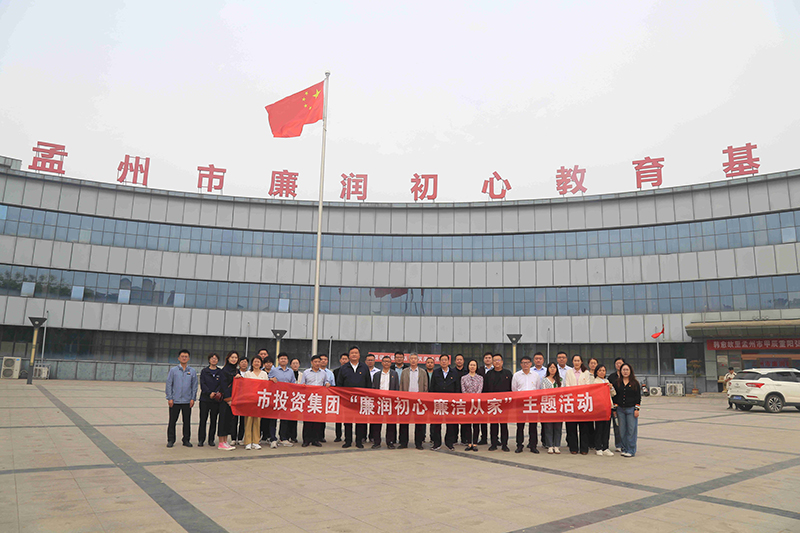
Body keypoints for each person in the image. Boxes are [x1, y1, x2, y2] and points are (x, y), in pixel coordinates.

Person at [337, 345, 372, 448]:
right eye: (352, 353)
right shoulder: (344, 368)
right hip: (347, 400)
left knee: (360, 421)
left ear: (359, 355)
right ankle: (348, 441)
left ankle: (359, 441)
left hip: (361, 400)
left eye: (356, 353)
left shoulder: (364, 367)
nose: (354, 355)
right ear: (349, 355)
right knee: (347, 421)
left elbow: (368, 384)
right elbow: (339, 384)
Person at [165, 349, 197, 448]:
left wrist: (193, 398)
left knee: (186, 421)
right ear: (179, 358)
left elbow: (194, 386)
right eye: (182, 356)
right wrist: (170, 398)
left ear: (189, 358)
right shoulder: (173, 370)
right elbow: (169, 384)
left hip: (187, 401)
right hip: (175, 400)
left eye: (186, 356)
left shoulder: (192, 371)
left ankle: (186, 440)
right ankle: (171, 440)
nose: (184, 358)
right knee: (172, 421)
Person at [299, 355, 332, 447]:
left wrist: (327, 384)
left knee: (317, 421)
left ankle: (315, 440)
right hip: (309, 399)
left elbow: (326, 382)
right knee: (307, 421)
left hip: (319, 399)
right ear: (312, 362)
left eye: (318, 362)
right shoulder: (306, 372)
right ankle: (306, 440)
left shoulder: (323, 373)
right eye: (315, 362)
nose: (317, 363)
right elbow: (302, 384)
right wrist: (303, 386)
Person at [429, 354, 461, 450]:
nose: (444, 362)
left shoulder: (454, 372)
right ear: (439, 362)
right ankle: (437, 443)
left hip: (450, 402)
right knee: (436, 423)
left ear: (448, 362)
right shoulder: (436, 372)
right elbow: (432, 387)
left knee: (450, 423)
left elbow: (457, 387)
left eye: (445, 360)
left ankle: (449, 443)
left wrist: (456, 400)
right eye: (442, 360)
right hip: (438, 402)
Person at [563, 354, 593, 455]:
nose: (576, 362)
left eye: (578, 360)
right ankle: (573, 448)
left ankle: (584, 448)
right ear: (572, 362)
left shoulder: (586, 372)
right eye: (575, 360)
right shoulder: (569, 372)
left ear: (581, 362)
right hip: (571, 401)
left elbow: (587, 386)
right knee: (571, 427)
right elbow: (567, 385)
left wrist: (579, 394)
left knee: (584, 427)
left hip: (582, 401)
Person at [512, 355, 541, 453]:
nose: (526, 364)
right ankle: (519, 445)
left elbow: (538, 388)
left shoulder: (535, 375)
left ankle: (533, 446)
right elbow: (514, 389)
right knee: (520, 426)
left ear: (531, 364)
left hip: (532, 403)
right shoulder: (516, 375)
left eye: (527, 362)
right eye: (523, 363)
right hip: (521, 403)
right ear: (521, 364)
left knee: (533, 426)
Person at [483, 354, 513, 451]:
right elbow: (485, 389)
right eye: (495, 360)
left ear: (502, 362)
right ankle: (494, 444)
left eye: (498, 360)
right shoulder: (488, 374)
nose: (497, 362)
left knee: (504, 425)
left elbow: (512, 389)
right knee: (493, 425)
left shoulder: (508, 373)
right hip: (493, 403)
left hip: (504, 404)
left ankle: (504, 444)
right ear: (492, 362)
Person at [399, 352, 429, 450]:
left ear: (418, 360)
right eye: (411, 358)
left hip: (418, 400)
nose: (413, 360)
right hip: (406, 400)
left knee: (419, 423)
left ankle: (418, 443)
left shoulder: (423, 372)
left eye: (415, 358)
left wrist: (424, 398)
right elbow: (401, 385)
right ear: (408, 360)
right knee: (404, 422)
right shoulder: (404, 372)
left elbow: (425, 386)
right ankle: (403, 443)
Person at [371, 355, 400, 449]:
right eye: (385, 361)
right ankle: (377, 442)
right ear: (382, 363)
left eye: (388, 361)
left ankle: (390, 442)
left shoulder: (394, 374)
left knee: (391, 423)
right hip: (379, 402)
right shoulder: (377, 375)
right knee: (377, 423)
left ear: (391, 363)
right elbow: (373, 388)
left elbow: (396, 388)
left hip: (390, 402)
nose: (386, 363)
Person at [269, 352, 297, 446]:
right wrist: (271, 379)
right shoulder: (274, 370)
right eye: (281, 358)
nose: (283, 360)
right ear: (278, 360)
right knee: (273, 419)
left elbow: (293, 383)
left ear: (287, 360)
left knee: (284, 419)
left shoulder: (291, 371)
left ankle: (283, 438)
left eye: (285, 358)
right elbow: (267, 381)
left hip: (286, 398)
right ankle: (272, 438)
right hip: (276, 397)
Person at [614, 363, 641, 457]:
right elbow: (615, 396)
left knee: (631, 430)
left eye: (627, 370)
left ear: (630, 371)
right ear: (620, 371)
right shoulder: (617, 382)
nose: (625, 372)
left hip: (631, 409)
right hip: (620, 409)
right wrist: (614, 409)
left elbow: (638, 397)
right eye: (623, 370)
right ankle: (624, 448)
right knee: (622, 430)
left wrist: (637, 409)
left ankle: (631, 450)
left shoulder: (635, 383)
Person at [243, 355, 269, 450]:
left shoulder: (264, 374)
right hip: (250, 400)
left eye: (258, 361)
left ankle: (256, 441)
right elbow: (245, 386)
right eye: (255, 361)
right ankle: (248, 442)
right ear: (252, 363)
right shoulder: (248, 373)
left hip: (259, 400)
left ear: (261, 363)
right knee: (248, 421)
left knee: (257, 422)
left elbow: (266, 387)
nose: (257, 363)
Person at [198, 353, 222, 447]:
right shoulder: (204, 371)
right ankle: (201, 439)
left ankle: (211, 439)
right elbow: (203, 384)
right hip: (205, 399)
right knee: (203, 420)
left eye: (215, 358)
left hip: (216, 400)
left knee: (213, 420)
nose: (214, 360)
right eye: (212, 358)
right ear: (209, 360)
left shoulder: (220, 372)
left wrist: (215, 393)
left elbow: (221, 384)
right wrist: (209, 393)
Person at [217, 351, 240, 450]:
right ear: (228, 358)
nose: (234, 359)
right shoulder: (224, 370)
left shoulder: (236, 370)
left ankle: (225, 441)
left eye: (235, 357)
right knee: (223, 420)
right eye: (232, 357)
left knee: (228, 421)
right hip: (226, 400)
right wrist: (228, 399)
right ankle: (221, 442)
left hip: (234, 399)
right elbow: (223, 386)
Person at [460, 359, 483, 452]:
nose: (472, 366)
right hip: (467, 403)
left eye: (474, 365)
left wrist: (474, 397)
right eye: (471, 365)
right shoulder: (463, 378)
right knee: (467, 424)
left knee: (476, 424)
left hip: (476, 404)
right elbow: (463, 390)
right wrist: (469, 398)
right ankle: (469, 443)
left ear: (476, 367)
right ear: (468, 366)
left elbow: (479, 390)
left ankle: (475, 443)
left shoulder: (480, 378)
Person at [593, 364, 616, 456]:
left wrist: (611, 387)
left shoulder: (607, 381)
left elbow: (613, 394)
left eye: (603, 370)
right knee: (599, 428)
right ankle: (598, 447)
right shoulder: (595, 382)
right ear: (596, 372)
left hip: (608, 407)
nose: (602, 372)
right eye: (600, 370)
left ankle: (605, 447)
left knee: (606, 428)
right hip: (599, 408)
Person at [540, 362, 562, 454]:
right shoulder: (544, 380)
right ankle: (549, 445)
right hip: (548, 406)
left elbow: (562, 392)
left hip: (558, 406)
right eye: (551, 367)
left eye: (554, 367)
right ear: (548, 369)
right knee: (548, 426)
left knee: (558, 427)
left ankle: (556, 445)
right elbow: (543, 392)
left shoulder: (560, 380)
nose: (552, 369)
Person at [260, 353, 278, 447]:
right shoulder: (261, 372)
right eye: (266, 362)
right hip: (262, 398)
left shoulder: (276, 372)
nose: (268, 364)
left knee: (272, 420)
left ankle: (272, 437)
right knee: (262, 419)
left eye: (270, 362)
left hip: (273, 399)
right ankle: (262, 436)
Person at [475, 351, 494, 445]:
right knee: (482, 419)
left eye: (489, 358)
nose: (488, 359)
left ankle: (495, 438)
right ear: (483, 359)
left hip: (493, 398)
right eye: (486, 358)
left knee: (494, 419)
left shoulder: (496, 369)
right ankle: (484, 438)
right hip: (481, 397)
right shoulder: (479, 370)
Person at [608, 357, 625, 451]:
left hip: (624, 404)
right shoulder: (611, 377)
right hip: (613, 405)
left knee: (624, 426)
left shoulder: (626, 376)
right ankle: (618, 444)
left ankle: (624, 444)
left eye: (620, 363)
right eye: (617, 363)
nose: (618, 365)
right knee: (616, 425)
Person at [332, 353, 350, 443]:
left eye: (346, 359)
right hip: (338, 397)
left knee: (347, 418)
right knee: (338, 418)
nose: (344, 360)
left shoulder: (351, 371)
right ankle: (338, 436)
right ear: (340, 360)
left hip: (348, 397)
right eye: (343, 359)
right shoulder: (336, 371)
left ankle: (348, 437)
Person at [318, 354, 335, 442]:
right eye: (322, 359)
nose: (323, 361)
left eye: (325, 359)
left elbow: (333, 385)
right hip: (314, 397)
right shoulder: (311, 371)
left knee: (322, 419)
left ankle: (321, 436)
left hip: (325, 398)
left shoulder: (330, 373)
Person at [232, 356, 249, 445]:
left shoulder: (249, 373)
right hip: (236, 398)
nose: (244, 363)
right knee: (234, 419)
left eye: (245, 362)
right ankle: (233, 438)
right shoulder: (235, 372)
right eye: (242, 362)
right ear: (239, 363)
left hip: (245, 400)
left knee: (243, 420)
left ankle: (240, 438)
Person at [585, 357, 600, 449]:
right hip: (588, 400)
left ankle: (597, 441)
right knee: (589, 424)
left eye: (595, 363)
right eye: (591, 363)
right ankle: (590, 442)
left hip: (598, 402)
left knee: (598, 424)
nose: (593, 365)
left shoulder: (600, 374)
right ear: (588, 364)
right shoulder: (586, 374)